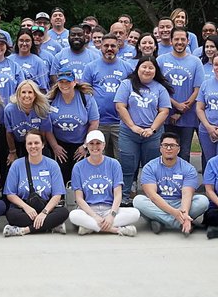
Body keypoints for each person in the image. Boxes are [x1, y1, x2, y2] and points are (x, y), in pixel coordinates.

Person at [114, 56, 172, 198]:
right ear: (138, 68)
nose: (147, 70)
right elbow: (120, 106)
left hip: (153, 134)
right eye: (144, 67)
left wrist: (152, 129)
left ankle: (151, 197)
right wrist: (133, 126)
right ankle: (125, 196)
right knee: (127, 165)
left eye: (151, 67)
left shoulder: (160, 88)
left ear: (155, 70)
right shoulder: (127, 84)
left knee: (151, 167)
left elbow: (164, 110)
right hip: (129, 133)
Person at [132, 133, 206, 234]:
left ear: (178, 149)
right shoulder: (149, 167)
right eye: (165, 145)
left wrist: (183, 212)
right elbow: (152, 196)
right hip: (158, 203)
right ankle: (179, 223)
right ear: (160, 148)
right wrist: (174, 213)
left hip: (179, 202)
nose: (168, 148)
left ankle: (160, 220)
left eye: (172, 145)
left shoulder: (188, 169)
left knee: (203, 201)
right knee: (138, 200)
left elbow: (187, 195)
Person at [68, 131, 139, 236]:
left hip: (109, 208)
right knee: (73, 215)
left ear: (104, 145)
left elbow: (118, 194)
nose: (95, 146)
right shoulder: (78, 167)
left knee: (135, 214)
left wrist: (112, 215)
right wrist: (94, 216)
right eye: (91, 143)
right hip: (89, 209)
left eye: (98, 143)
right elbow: (79, 198)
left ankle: (90, 227)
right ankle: (116, 230)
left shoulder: (114, 164)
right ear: (86, 145)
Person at [2, 130, 70, 236]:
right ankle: (50, 225)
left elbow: (57, 195)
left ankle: (24, 230)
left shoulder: (52, 165)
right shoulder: (17, 165)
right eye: (29, 143)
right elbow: (10, 194)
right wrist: (26, 207)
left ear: (43, 144)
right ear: (25, 146)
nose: (33, 146)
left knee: (63, 212)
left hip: (46, 207)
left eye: (36, 143)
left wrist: (44, 213)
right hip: (25, 208)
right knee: (11, 215)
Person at [157, 27, 204, 160]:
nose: (179, 42)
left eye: (183, 39)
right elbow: (159, 88)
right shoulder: (161, 60)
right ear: (171, 41)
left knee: (184, 153)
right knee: (166, 152)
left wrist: (182, 110)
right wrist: (176, 105)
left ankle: (184, 180)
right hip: (166, 115)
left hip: (188, 117)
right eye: (176, 39)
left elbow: (198, 89)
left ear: (188, 41)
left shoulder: (195, 62)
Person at [46, 68, 99, 183]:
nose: (65, 85)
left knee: (79, 176)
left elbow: (94, 122)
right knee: (60, 175)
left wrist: (86, 145)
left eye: (68, 82)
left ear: (74, 82)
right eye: (61, 82)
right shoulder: (51, 99)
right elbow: (46, 126)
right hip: (59, 143)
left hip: (80, 143)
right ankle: (61, 199)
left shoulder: (86, 98)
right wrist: (54, 146)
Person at [85, 34, 133, 158]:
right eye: (106, 45)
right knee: (98, 157)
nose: (109, 48)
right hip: (98, 122)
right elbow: (85, 93)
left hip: (120, 122)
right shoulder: (90, 67)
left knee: (121, 158)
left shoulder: (127, 68)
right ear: (100, 47)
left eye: (113, 46)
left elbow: (132, 93)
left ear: (118, 47)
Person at [2, 79, 54, 169]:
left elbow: (43, 132)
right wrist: (12, 152)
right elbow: (9, 132)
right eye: (23, 92)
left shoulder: (43, 109)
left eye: (30, 92)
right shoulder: (9, 109)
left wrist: (38, 150)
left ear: (35, 95)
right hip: (17, 143)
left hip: (37, 143)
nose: (27, 95)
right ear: (18, 94)